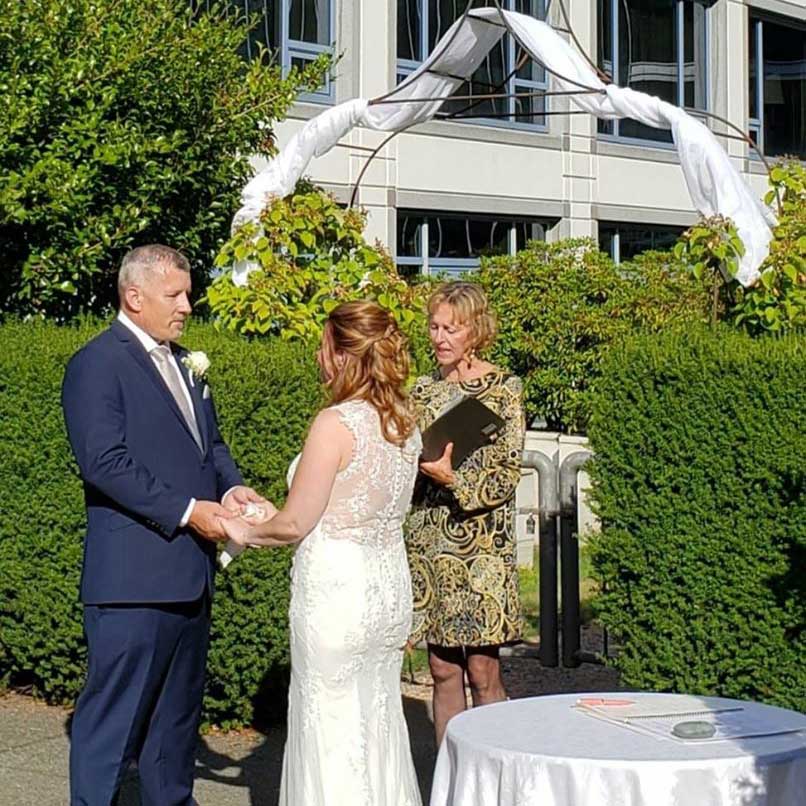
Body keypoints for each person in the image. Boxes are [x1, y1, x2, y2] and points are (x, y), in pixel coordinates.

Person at [62, 244, 265, 806]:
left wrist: (230, 487)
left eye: (187, 293)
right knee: (111, 730)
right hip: (132, 583)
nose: (187, 305)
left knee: (174, 729)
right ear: (135, 296)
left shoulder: (184, 364)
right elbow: (104, 462)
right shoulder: (96, 363)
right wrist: (190, 512)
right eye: (174, 294)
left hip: (189, 577)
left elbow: (211, 447)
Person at [222, 301, 423, 806]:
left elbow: (295, 524)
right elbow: (341, 507)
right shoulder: (405, 424)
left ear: (343, 355)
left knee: (330, 727)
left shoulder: (334, 423)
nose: (317, 354)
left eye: (324, 345)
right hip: (387, 594)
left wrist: (240, 532)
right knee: (378, 724)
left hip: (336, 596)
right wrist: (270, 512)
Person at [406, 280, 525, 746]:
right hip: (429, 546)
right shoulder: (421, 390)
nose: (439, 338)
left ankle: (498, 777)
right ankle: (449, 783)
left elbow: (507, 471)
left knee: (482, 668)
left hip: (481, 548)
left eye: (450, 329)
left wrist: (454, 479)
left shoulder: (504, 389)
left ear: (475, 331)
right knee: (440, 667)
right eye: (434, 327)